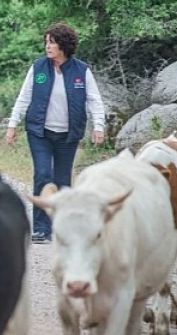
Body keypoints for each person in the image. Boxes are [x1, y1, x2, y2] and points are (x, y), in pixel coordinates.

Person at [6, 22, 106, 244]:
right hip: (39, 132)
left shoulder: (82, 71)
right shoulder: (38, 68)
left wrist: (98, 126)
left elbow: (94, 101)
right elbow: (24, 98)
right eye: (46, 42)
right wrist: (12, 125)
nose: (47, 46)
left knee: (62, 181)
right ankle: (41, 228)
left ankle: (62, 227)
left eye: (52, 42)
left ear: (64, 45)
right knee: (43, 175)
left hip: (68, 135)